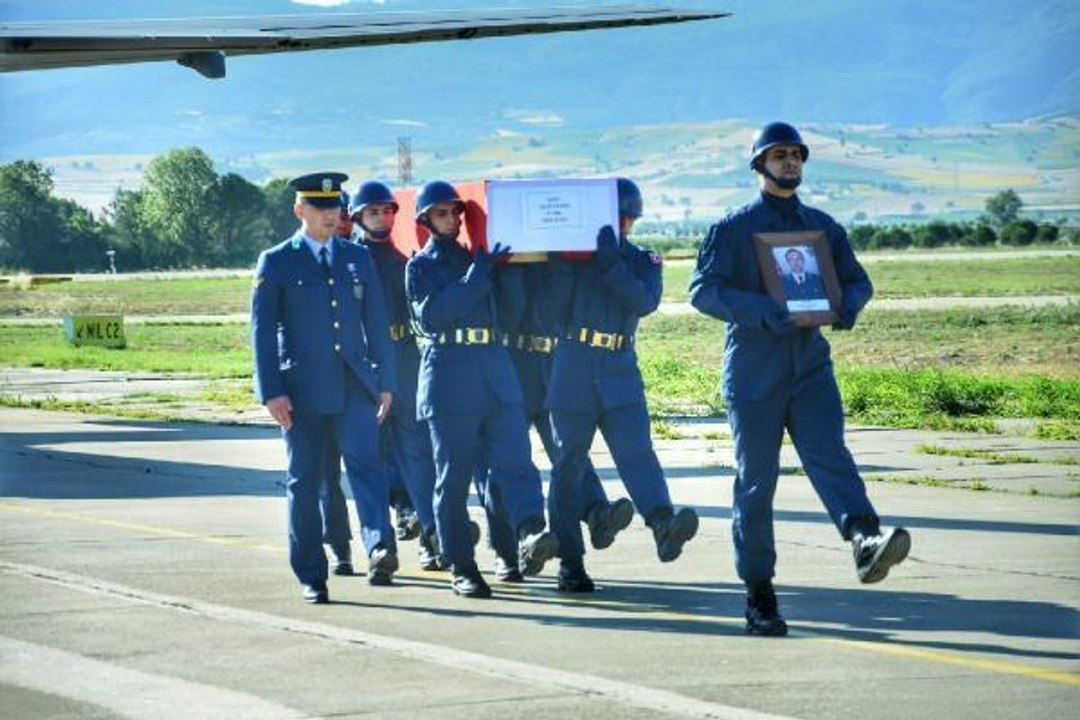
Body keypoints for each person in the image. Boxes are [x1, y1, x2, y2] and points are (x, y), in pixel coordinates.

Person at [688, 121, 911, 636]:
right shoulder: (733, 228)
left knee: (830, 454)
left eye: (796, 154)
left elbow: (857, 281)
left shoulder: (823, 228)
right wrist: (765, 310)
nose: (790, 161)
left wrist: (842, 307)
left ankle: (864, 539)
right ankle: (759, 594)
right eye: (779, 154)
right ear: (759, 164)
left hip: (810, 360)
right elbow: (703, 291)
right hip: (754, 365)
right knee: (756, 481)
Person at [404, 179, 559, 598]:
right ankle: (461, 565)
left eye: (455, 212)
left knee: (516, 461)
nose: (452, 219)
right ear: (426, 220)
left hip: (495, 370)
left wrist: (517, 270)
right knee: (453, 478)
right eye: (441, 213)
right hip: (450, 378)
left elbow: (511, 314)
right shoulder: (420, 266)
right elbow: (436, 316)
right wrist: (479, 275)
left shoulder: (481, 258)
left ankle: (530, 531)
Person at [545, 177, 700, 593]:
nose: (625, 224)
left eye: (630, 218)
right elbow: (551, 309)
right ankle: (570, 560)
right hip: (573, 365)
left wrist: (611, 262)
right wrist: (564, 261)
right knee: (568, 465)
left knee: (637, 453)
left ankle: (663, 525)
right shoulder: (573, 261)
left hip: (619, 367)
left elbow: (643, 301)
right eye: (619, 216)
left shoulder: (642, 261)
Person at [252, 172, 399, 604]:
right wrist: (271, 391)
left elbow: (376, 323)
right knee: (306, 480)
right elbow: (262, 332)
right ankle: (312, 573)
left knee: (368, 466)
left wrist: (386, 382)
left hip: (355, 384)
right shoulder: (277, 261)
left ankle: (379, 547)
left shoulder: (356, 258)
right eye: (320, 208)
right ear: (300, 211)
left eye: (335, 207)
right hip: (302, 391)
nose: (331, 215)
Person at [481, 260, 635, 588]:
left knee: (570, 457)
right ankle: (510, 549)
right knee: (504, 462)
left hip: (556, 362)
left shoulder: (565, 259)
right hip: (510, 364)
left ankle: (583, 539)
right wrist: (512, 265)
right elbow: (508, 309)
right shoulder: (502, 258)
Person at [348, 179, 441, 571]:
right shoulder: (349, 261)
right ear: (357, 217)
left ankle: (433, 536)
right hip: (367, 365)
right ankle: (382, 544)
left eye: (387, 210)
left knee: (418, 451)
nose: (382, 217)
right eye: (373, 211)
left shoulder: (406, 259)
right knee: (372, 455)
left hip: (405, 358)